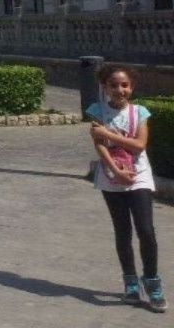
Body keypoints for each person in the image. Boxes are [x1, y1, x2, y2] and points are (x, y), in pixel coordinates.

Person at [86, 67, 167, 312]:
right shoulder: (96, 111)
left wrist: (108, 133)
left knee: (146, 230)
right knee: (122, 231)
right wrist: (117, 171)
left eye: (124, 85)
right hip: (111, 178)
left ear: (131, 87)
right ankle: (131, 283)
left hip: (139, 176)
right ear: (105, 87)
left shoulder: (140, 112)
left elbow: (140, 145)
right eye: (113, 85)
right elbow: (100, 146)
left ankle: (152, 282)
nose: (119, 90)